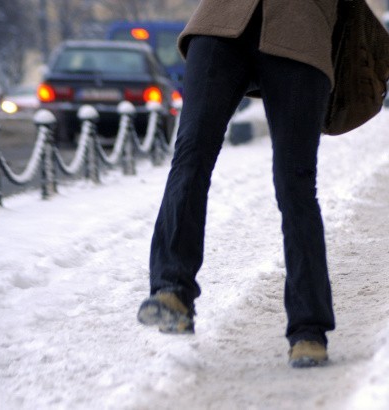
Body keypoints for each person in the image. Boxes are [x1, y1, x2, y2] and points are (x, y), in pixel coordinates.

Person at [136, 0, 338, 369]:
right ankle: (172, 291)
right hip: (222, 19)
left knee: (294, 182)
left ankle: (309, 329)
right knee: (191, 154)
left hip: (301, 28)